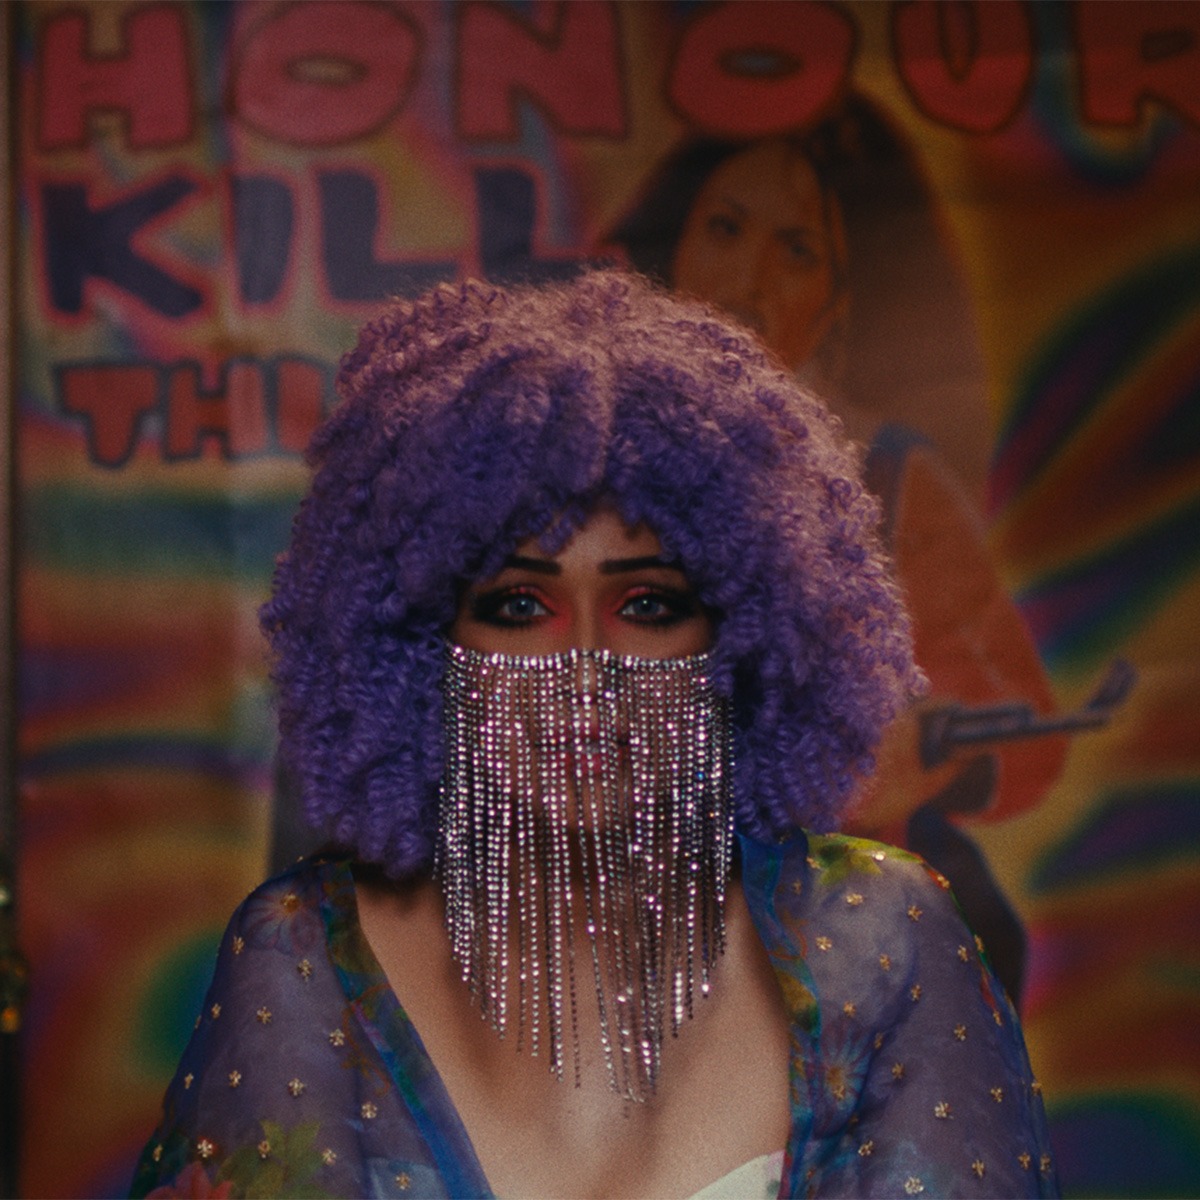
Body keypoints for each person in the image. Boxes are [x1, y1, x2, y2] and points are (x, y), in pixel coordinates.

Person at [131, 271, 1058, 1198]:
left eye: (648, 604)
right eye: (517, 605)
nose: (584, 665)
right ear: (419, 647)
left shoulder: (883, 938)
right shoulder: (304, 953)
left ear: (741, 636)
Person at [608, 99, 1068, 1002]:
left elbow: (1025, 723)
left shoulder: (893, 480)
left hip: (860, 927)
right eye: (726, 228)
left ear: (841, 300)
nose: (749, 279)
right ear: (673, 248)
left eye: (798, 250)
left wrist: (922, 751)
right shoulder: (573, 462)